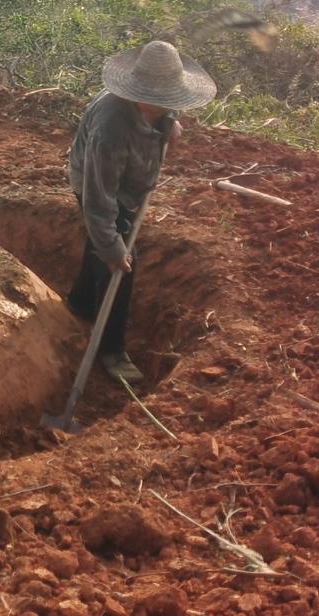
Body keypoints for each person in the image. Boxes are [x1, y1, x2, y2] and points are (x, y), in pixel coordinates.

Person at [67, 40, 215, 384]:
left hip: (130, 184)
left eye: (171, 101)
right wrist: (114, 250)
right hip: (97, 184)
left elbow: (167, 111)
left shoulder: (158, 108)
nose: (168, 106)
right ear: (138, 91)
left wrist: (170, 124)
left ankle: (80, 303)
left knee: (100, 245)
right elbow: (98, 201)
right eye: (163, 101)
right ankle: (112, 349)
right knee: (120, 262)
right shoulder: (111, 129)